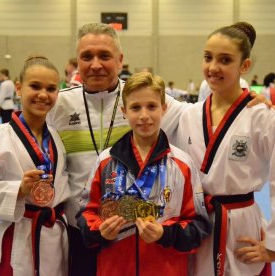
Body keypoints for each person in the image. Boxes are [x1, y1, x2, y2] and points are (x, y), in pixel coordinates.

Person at [0, 22, 270, 275]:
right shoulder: (58, 102)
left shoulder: (144, 98)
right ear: (77, 61)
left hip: (140, 233)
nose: (96, 64)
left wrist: (246, 102)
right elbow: (27, 126)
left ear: (120, 59)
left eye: (105, 55)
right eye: (87, 56)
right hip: (79, 231)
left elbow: (203, 111)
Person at [177, 22, 275, 276]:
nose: (213, 67)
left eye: (225, 60)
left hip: (240, 225)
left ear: (244, 66)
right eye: (208, 57)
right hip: (197, 224)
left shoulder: (263, 117)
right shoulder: (189, 114)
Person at [77, 71, 211, 275]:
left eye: (152, 106)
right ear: (124, 111)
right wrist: (99, 231)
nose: (144, 116)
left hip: (166, 268)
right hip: (114, 268)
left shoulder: (182, 164)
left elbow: (199, 225)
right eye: (135, 107)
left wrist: (165, 234)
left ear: (164, 109)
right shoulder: (106, 161)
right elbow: (85, 214)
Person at [0, 56, 75, 275]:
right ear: (18, 88)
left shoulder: (57, 137)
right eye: (35, 86)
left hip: (56, 237)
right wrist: (18, 190)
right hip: (18, 239)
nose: (43, 94)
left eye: (51, 88)